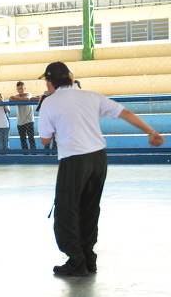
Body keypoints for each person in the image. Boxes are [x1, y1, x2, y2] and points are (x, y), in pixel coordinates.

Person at [37, 61, 165, 276]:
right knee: (90, 207)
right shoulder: (92, 96)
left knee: (66, 210)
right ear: (69, 77)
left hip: (74, 160)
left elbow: (44, 140)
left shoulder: (50, 103)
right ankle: (88, 257)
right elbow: (125, 113)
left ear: (51, 82)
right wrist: (151, 131)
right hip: (98, 159)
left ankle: (76, 260)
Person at [9, 81, 38, 151]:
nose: (20, 90)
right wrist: (19, 99)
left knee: (31, 138)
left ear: (24, 88)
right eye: (19, 89)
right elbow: (10, 98)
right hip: (20, 122)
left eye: (21, 88)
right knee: (23, 139)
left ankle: (34, 154)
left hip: (29, 120)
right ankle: (25, 154)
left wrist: (17, 99)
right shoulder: (16, 96)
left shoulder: (28, 94)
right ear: (17, 89)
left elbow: (27, 99)